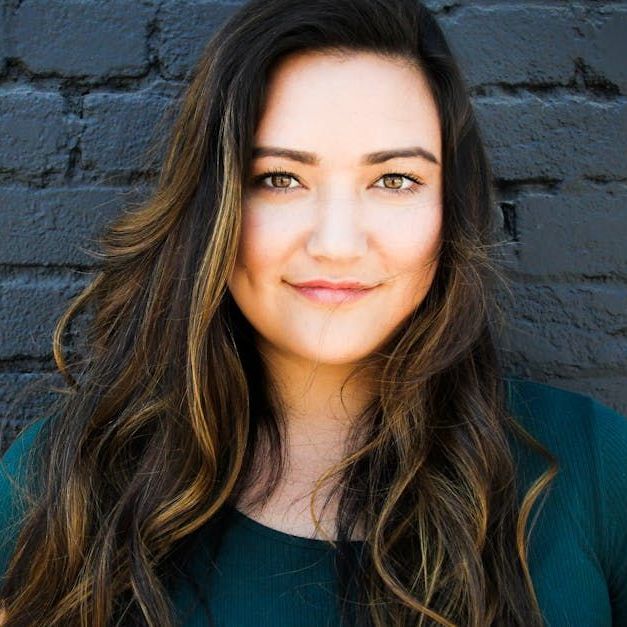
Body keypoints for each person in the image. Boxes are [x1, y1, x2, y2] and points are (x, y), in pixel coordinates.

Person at [0, 0, 625, 625]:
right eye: (279, 179)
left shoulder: (593, 467)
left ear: (450, 212)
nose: (336, 242)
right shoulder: (63, 481)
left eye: (395, 180)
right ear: (212, 206)